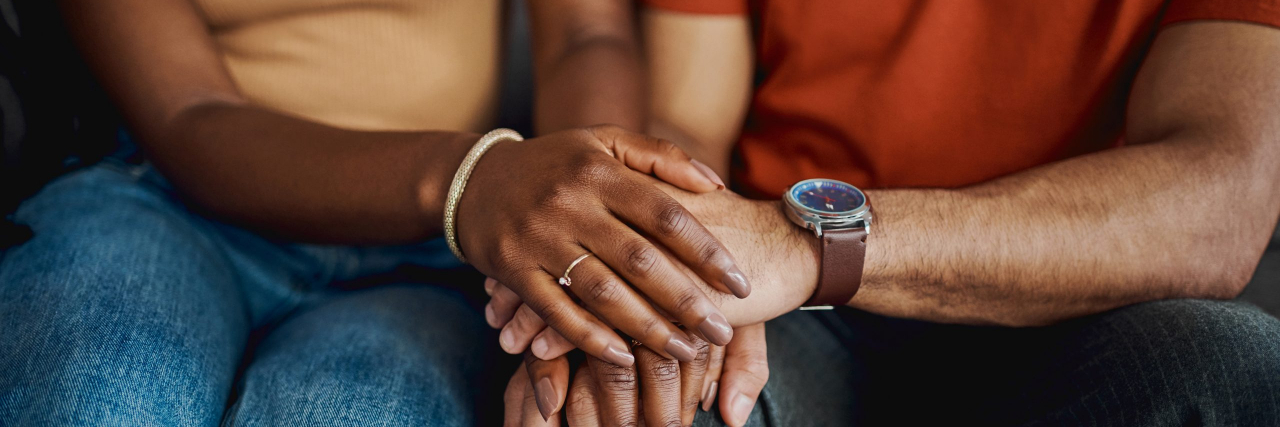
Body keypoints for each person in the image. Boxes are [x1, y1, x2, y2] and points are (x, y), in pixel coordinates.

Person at [497, 0, 1280, 425]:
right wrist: (664, 268)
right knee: (637, 402)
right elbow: (687, 125)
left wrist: (799, 247)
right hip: (787, 319)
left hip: (1090, 310)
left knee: (1231, 364)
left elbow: (1221, 195)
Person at [0, 0, 752, 425]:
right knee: (95, 391)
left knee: (351, 411)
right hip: (163, 201)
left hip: (439, 249)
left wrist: (579, 246)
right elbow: (188, 115)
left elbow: (586, 36)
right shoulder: (472, 181)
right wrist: (473, 178)